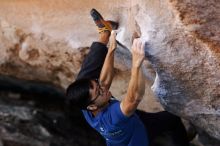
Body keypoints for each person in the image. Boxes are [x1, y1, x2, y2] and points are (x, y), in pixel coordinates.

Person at [66, 9, 190, 146]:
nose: (103, 88)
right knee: (171, 119)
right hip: (139, 134)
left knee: (83, 78)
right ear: (92, 107)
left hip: (129, 122)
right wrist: (136, 63)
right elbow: (134, 98)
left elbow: (103, 83)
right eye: (99, 91)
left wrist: (111, 49)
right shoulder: (112, 118)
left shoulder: (87, 104)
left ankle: (105, 34)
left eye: (98, 85)